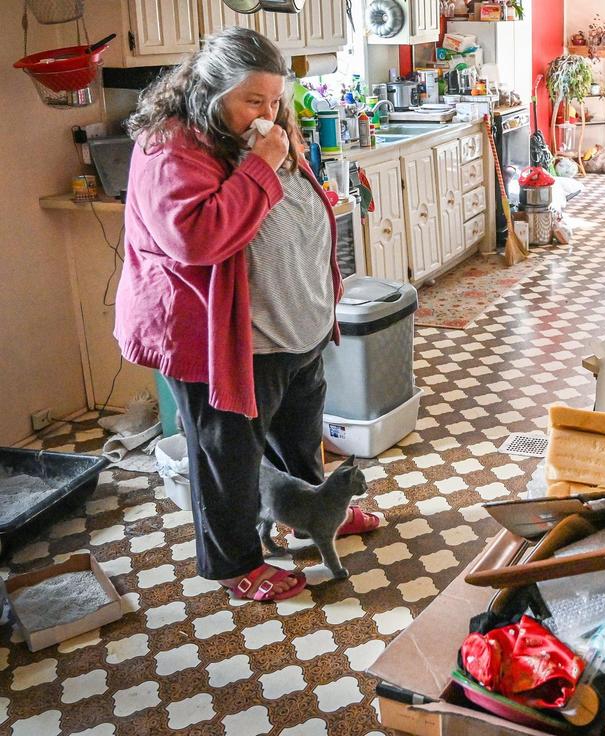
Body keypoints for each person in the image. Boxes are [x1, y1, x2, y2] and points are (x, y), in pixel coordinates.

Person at [116, 27, 381, 602]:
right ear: (212, 93)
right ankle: (234, 563)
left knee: (299, 436)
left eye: (276, 99)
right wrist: (263, 163)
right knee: (228, 459)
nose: (269, 112)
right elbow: (198, 237)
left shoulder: (263, 130)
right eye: (253, 100)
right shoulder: (170, 147)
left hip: (294, 329)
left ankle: (312, 514)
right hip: (224, 341)